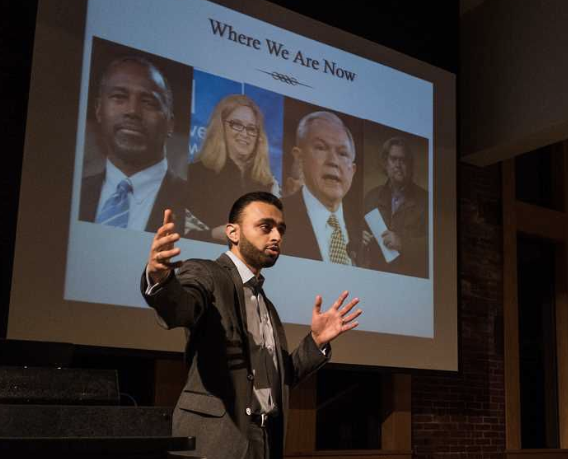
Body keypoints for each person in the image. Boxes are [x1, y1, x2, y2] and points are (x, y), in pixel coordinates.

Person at [142, 192, 361, 459]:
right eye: (265, 227)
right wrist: (161, 280)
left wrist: (316, 342)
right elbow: (180, 309)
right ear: (233, 233)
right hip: (215, 439)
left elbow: (283, 377)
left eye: (280, 229)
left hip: (265, 438)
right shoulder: (206, 273)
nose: (276, 237)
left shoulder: (266, 305)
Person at [79, 56, 185, 232]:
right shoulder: (75, 193)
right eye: (119, 97)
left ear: (170, 124)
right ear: (98, 110)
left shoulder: (193, 202)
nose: (132, 111)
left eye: (148, 102)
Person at [186, 94, 279, 243]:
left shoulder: (269, 186)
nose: (244, 134)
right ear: (221, 127)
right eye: (236, 124)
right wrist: (213, 234)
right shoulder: (193, 175)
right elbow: (177, 235)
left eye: (251, 129)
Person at [281, 111, 363, 265]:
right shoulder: (274, 217)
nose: (333, 161)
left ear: (352, 170)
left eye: (343, 153)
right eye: (321, 148)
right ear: (299, 158)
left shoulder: (363, 229)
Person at [364, 137, 428, 278]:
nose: (398, 164)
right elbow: (357, 235)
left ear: (410, 165)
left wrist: (402, 244)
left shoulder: (426, 200)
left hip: (410, 282)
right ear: (386, 163)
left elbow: (436, 247)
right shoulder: (371, 198)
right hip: (374, 279)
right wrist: (361, 239)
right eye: (394, 159)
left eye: (403, 160)